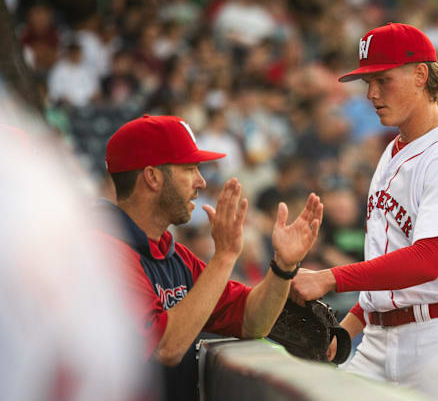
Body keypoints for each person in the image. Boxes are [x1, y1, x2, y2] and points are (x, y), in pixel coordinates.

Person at [290, 23, 438, 400]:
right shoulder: (394, 148)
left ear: (420, 75)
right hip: (377, 339)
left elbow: (426, 261)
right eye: (368, 82)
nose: (371, 93)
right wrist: (345, 331)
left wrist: (330, 277)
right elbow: (387, 269)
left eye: (383, 79)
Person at [96, 114, 323, 400]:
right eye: (190, 169)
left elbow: (252, 320)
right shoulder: (102, 253)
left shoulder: (174, 254)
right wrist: (225, 256)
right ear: (153, 177)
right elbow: (166, 347)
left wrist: (283, 267)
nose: (201, 182)